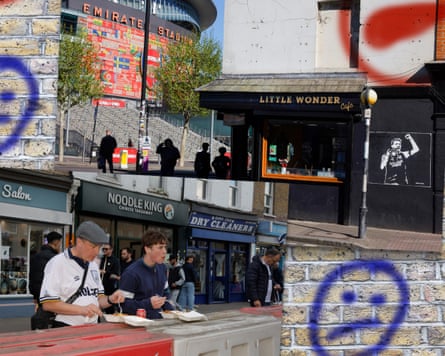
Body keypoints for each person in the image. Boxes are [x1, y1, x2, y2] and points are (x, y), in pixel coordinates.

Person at [39, 221, 124, 327]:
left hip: (92, 327)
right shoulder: (57, 263)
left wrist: (110, 299)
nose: (97, 252)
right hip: (66, 327)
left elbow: (98, 299)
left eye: (99, 248)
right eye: (93, 246)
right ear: (79, 242)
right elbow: (48, 304)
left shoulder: (93, 265)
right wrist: (82, 310)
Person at [119, 231, 175, 319]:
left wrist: (172, 311)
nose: (164, 251)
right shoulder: (131, 273)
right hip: (138, 326)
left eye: (165, 247)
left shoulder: (162, 268)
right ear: (147, 249)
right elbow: (123, 304)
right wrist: (148, 304)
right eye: (160, 247)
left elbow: (165, 293)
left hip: (159, 322)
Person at [99, 242, 120, 314]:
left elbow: (115, 275)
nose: (104, 251)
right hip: (100, 286)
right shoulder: (102, 259)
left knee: (109, 308)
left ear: (111, 250)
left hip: (109, 287)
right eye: (103, 249)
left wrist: (105, 272)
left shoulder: (115, 260)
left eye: (106, 249)